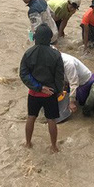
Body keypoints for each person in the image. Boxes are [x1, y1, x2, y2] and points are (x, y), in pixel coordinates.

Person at [19, 24, 64, 152]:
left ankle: (28, 143)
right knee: (51, 120)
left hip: (33, 93)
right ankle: (54, 146)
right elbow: (59, 77)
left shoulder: (28, 53)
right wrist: (57, 91)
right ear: (50, 38)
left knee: (31, 117)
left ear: (36, 37)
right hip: (50, 94)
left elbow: (23, 74)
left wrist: (38, 87)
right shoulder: (56, 55)